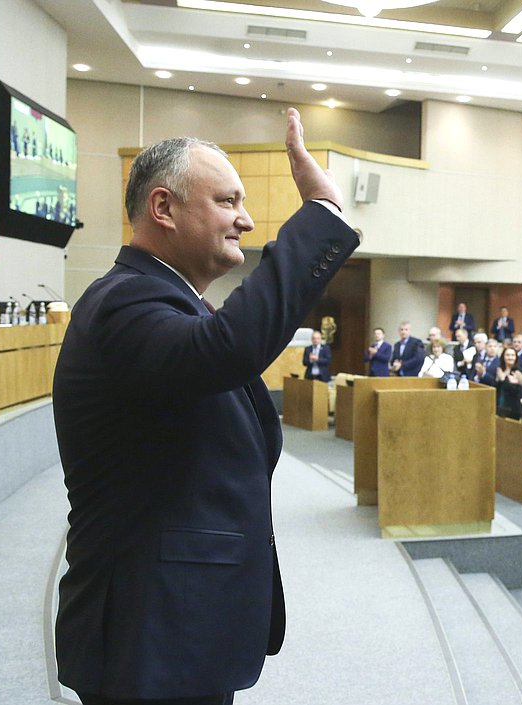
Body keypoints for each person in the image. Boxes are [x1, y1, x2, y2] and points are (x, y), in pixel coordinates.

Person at [52, 111, 359, 704]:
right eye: (228, 201)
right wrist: (320, 213)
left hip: (182, 626)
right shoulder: (125, 301)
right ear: (163, 208)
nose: (245, 220)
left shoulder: (171, 303)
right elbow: (230, 350)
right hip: (149, 632)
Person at [493, 347, 521, 413]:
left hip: (512, 407)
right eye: (507, 355)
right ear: (503, 357)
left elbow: (516, 391)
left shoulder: (518, 371)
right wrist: (497, 380)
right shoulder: (499, 369)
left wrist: (503, 379)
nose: (510, 357)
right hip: (498, 403)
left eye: (512, 355)